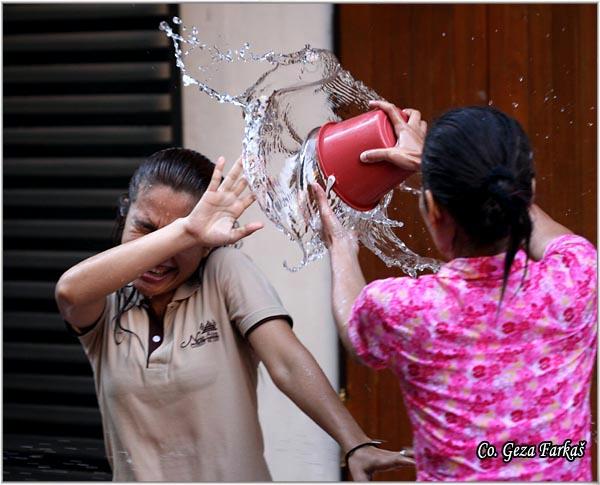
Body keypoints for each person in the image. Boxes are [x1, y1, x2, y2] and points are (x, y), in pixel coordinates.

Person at [55, 148, 414, 481]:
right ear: (124, 213)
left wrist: (354, 441)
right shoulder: (107, 299)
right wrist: (185, 231)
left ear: (208, 241)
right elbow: (69, 292)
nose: (160, 259)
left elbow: (287, 362)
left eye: (186, 238)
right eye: (146, 229)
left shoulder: (223, 271)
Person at [313, 101, 597, 481]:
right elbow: (552, 236)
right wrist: (439, 169)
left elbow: (353, 327)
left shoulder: (408, 309)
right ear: (528, 190)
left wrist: (342, 247)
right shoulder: (577, 278)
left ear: (432, 209)